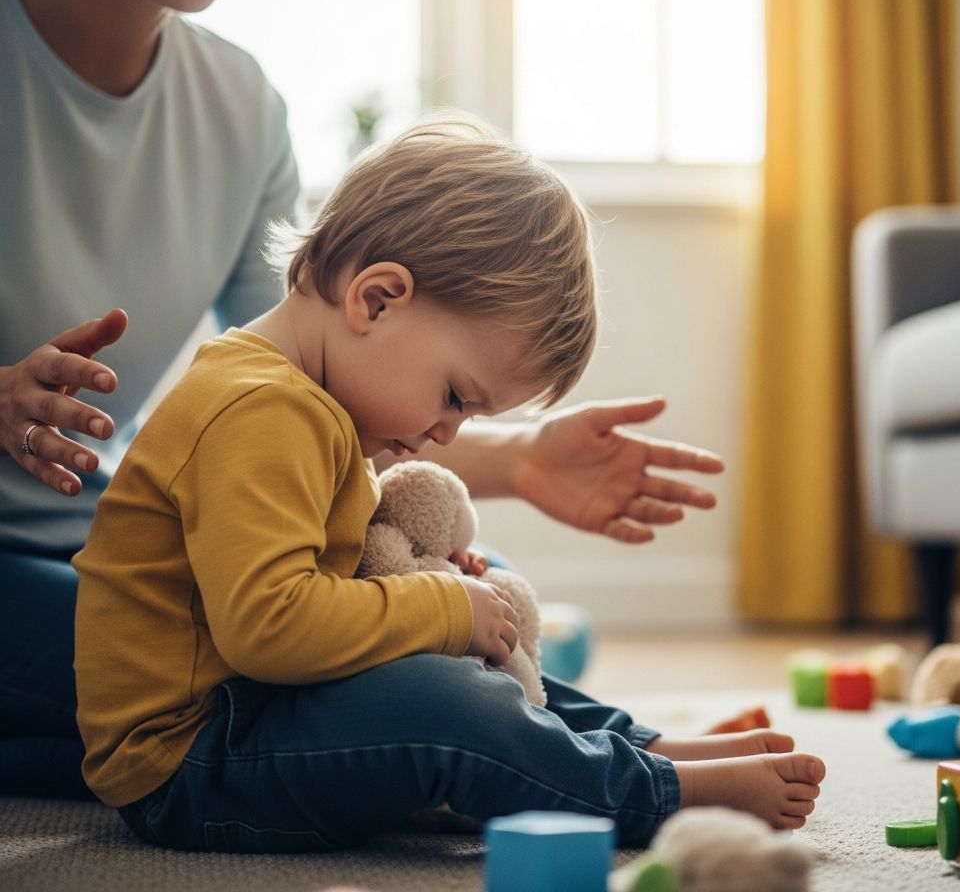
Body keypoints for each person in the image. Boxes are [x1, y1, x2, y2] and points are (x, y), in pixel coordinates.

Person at [0, 0, 743, 803]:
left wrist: (517, 461)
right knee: (305, 662)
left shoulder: (240, 107)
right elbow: (276, 553)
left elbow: (327, 391)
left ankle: (618, 750)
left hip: (89, 533)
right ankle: (605, 774)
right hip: (76, 582)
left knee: (462, 591)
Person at [72, 114, 826, 852]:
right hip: (197, 762)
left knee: (485, 615)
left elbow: (332, 572)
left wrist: (448, 592)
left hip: (264, 705)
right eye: (458, 396)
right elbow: (269, 626)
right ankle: (651, 792)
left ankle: (633, 745)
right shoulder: (261, 409)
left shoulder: (304, 400)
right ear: (377, 298)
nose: (448, 432)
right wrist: (436, 605)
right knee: (449, 701)